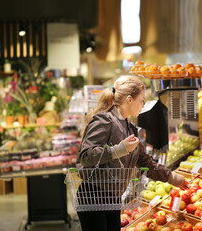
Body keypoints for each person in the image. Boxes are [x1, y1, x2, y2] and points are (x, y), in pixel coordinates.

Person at [76, 75, 188, 231]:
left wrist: (174, 178)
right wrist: (119, 150)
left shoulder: (129, 128)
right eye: (141, 100)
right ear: (129, 99)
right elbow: (85, 156)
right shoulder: (104, 121)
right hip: (93, 197)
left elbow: (146, 163)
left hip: (112, 197)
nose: (143, 105)